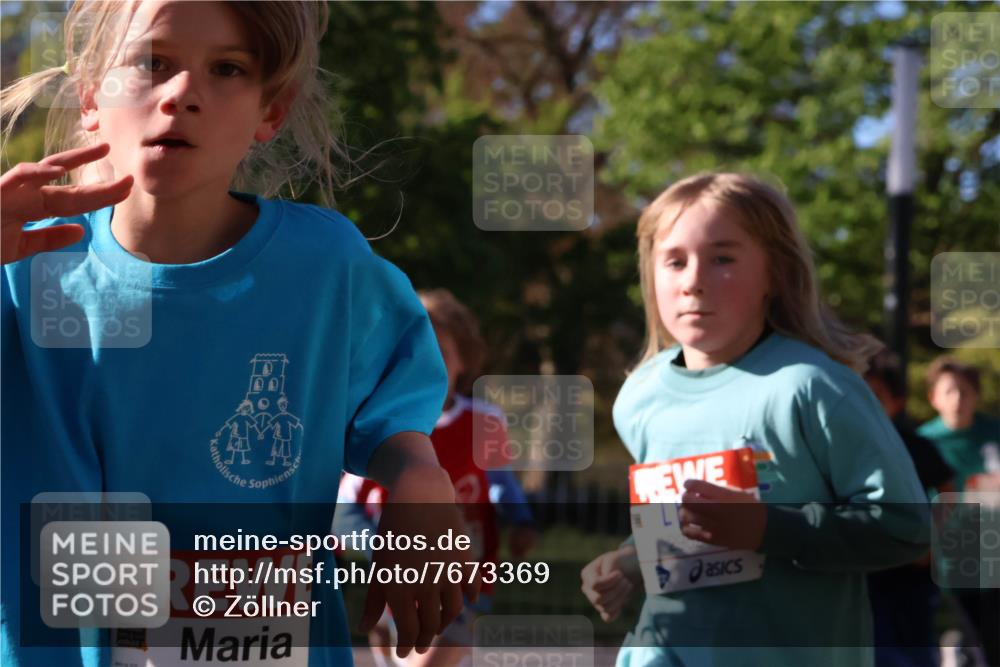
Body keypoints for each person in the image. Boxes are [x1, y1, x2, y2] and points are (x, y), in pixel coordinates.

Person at [0, 3, 478, 666]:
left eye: (226, 68)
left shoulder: (325, 266)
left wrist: (420, 475)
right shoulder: (20, 271)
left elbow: (393, 419)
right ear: (89, 97)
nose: (183, 94)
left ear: (269, 113)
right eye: (152, 62)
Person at [580, 172, 931, 667]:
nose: (693, 280)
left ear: (775, 273)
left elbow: (905, 526)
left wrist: (770, 528)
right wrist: (628, 563)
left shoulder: (811, 387)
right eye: (674, 261)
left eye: (723, 258)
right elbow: (674, 530)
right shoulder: (639, 396)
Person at [335, 288, 537, 667]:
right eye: (407, 355)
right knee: (400, 655)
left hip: (466, 569)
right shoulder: (374, 426)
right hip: (395, 573)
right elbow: (345, 506)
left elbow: (502, 482)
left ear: (463, 360)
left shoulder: (484, 421)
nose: (423, 366)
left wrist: (521, 520)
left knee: (428, 660)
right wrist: (377, 547)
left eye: (439, 353)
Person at [864, 350, 954, 667]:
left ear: (897, 401)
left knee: (916, 649)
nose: (867, 403)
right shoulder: (844, 448)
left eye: (875, 395)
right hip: (865, 573)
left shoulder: (915, 446)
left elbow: (947, 489)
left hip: (911, 574)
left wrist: (933, 543)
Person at [918, 357, 1000, 667]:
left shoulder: (993, 432)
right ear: (933, 398)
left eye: (965, 391)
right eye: (950, 391)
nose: (958, 400)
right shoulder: (925, 442)